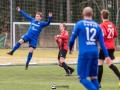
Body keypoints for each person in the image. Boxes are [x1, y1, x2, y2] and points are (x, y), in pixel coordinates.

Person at [69, 7, 111, 90]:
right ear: (92, 14)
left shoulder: (79, 24)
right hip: (95, 53)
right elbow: (102, 43)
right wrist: (107, 56)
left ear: (83, 14)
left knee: (82, 78)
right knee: (93, 77)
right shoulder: (98, 26)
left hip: (84, 53)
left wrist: (70, 48)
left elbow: (72, 39)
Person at [98, 9, 120, 88]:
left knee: (100, 63)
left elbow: (103, 35)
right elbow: (115, 35)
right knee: (110, 64)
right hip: (111, 46)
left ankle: (98, 83)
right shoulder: (112, 24)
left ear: (102, 16)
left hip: (104, 47)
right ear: (108, 16)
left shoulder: (102, 25)